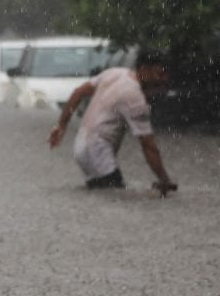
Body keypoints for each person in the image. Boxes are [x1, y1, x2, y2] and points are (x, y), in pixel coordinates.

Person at [48, 50, 176, 194]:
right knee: (113, 196)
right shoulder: (134, 98)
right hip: (97, 151)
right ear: (144, 70)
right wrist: (165, 180)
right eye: (159, 74)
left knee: (102, 194)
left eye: (166, 75)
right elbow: (148, 145)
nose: (163, 79)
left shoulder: (115, 73)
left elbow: (78, 92)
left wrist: (61, 126)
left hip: (82, 145)